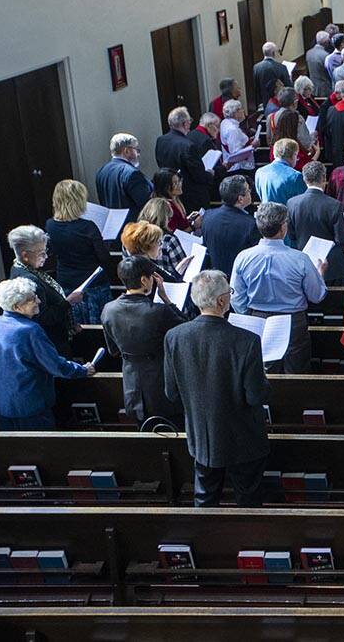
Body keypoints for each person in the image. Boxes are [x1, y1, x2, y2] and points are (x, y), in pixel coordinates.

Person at [164, 270, 270, 507]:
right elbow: (255, 396)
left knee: (205, 500)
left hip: (202, 437)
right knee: (248, 501)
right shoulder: (247, 340)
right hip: (244, 438)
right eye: (229, 293)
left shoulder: (174, 337)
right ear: (222, 301)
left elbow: (171, 393)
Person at [0, 277, 94, 429]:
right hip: (31, 407)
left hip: (1, 406)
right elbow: (55, 365)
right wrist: (82, 370)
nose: (38, 301)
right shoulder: (31, 330)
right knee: (40, 450)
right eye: (32, 299)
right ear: (17, 306)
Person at [230, 202, 328, 373]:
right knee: (296, 373)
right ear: (283, 227)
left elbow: (236, 295)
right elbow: (317, 295)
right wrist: (319, 275)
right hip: (293, 321)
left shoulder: (243, 257)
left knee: (265, 372)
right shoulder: (300, 259)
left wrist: (249, 315)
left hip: (259, 317)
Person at [100, 255, 186, 425]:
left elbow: (113, 350)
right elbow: (187, 332)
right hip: (161, 381)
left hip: (132, 383)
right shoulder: (159, 311)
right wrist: (167, 300)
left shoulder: (108, 310)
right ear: (144, 280)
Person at [45, 180, 112, 325]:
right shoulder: (88, 227)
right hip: (93, 284)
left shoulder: (50, 225)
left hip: (67, 281)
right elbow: (104, 258)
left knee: (76, 326)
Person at [7, 225, 81, 355]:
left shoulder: (22, 267)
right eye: (41, 253)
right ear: (25, 255)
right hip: (51, 344)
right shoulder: (28, 280)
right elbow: (43, 318)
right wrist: (68, 302)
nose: (46, 256)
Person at [287, 162, 344, 286]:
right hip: (332, 267)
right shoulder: (334, 205)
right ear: (324, 178)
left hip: (304, 262)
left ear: (305, 179)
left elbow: (291, 235)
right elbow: (342, 239)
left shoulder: (292, 203)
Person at [154, 107, 214, 213]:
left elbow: (160, 164)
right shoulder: (188, 146)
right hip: (191, 196)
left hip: (170, 193)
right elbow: (198, 175)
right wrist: (210, 174)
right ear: (185, 124)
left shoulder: (161, 140)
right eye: (189, 121)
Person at [202, 176, 260, 276]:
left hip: (215, 277)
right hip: (241, 278)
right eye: (248, 190)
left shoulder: (208, 216)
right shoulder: (250, 224)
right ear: (240, 199)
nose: (250, 192)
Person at [95, 133, 153, 222]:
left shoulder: (101, 171)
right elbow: (148, 206)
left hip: (112, 227)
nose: (138, 154)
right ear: (126, 151)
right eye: (136, 149)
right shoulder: (132, 173)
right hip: (133, 228)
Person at [137, 198, 191, 277]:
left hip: (139, 285)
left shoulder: (131, 238)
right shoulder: (169, 240)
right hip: (169, 285)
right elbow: (182, 269)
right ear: (164, 218)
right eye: (169, 218)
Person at [254, 139, 306, 211]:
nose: (297, 159)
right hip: (285, 218)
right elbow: (302, 203)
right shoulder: (296, 176)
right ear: (294, 155)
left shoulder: (260, 172)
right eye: (296, 155)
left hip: (265, 217)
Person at [152, 168, 195, 234]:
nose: (179, 185)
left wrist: (188, 219)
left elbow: (179, 223)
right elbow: (173, 235)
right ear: (165, 187)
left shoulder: (175, 198)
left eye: (179, 181)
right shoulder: (165, 208)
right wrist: (193, 226)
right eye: (175, 183)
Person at [253, 41, 292, 107]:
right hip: (279, 103)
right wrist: (290, 78)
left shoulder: (256, 67)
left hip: (264, 103)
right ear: (273, 53)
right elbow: (288, 87)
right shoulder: (281, 67)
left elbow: (256, 87)